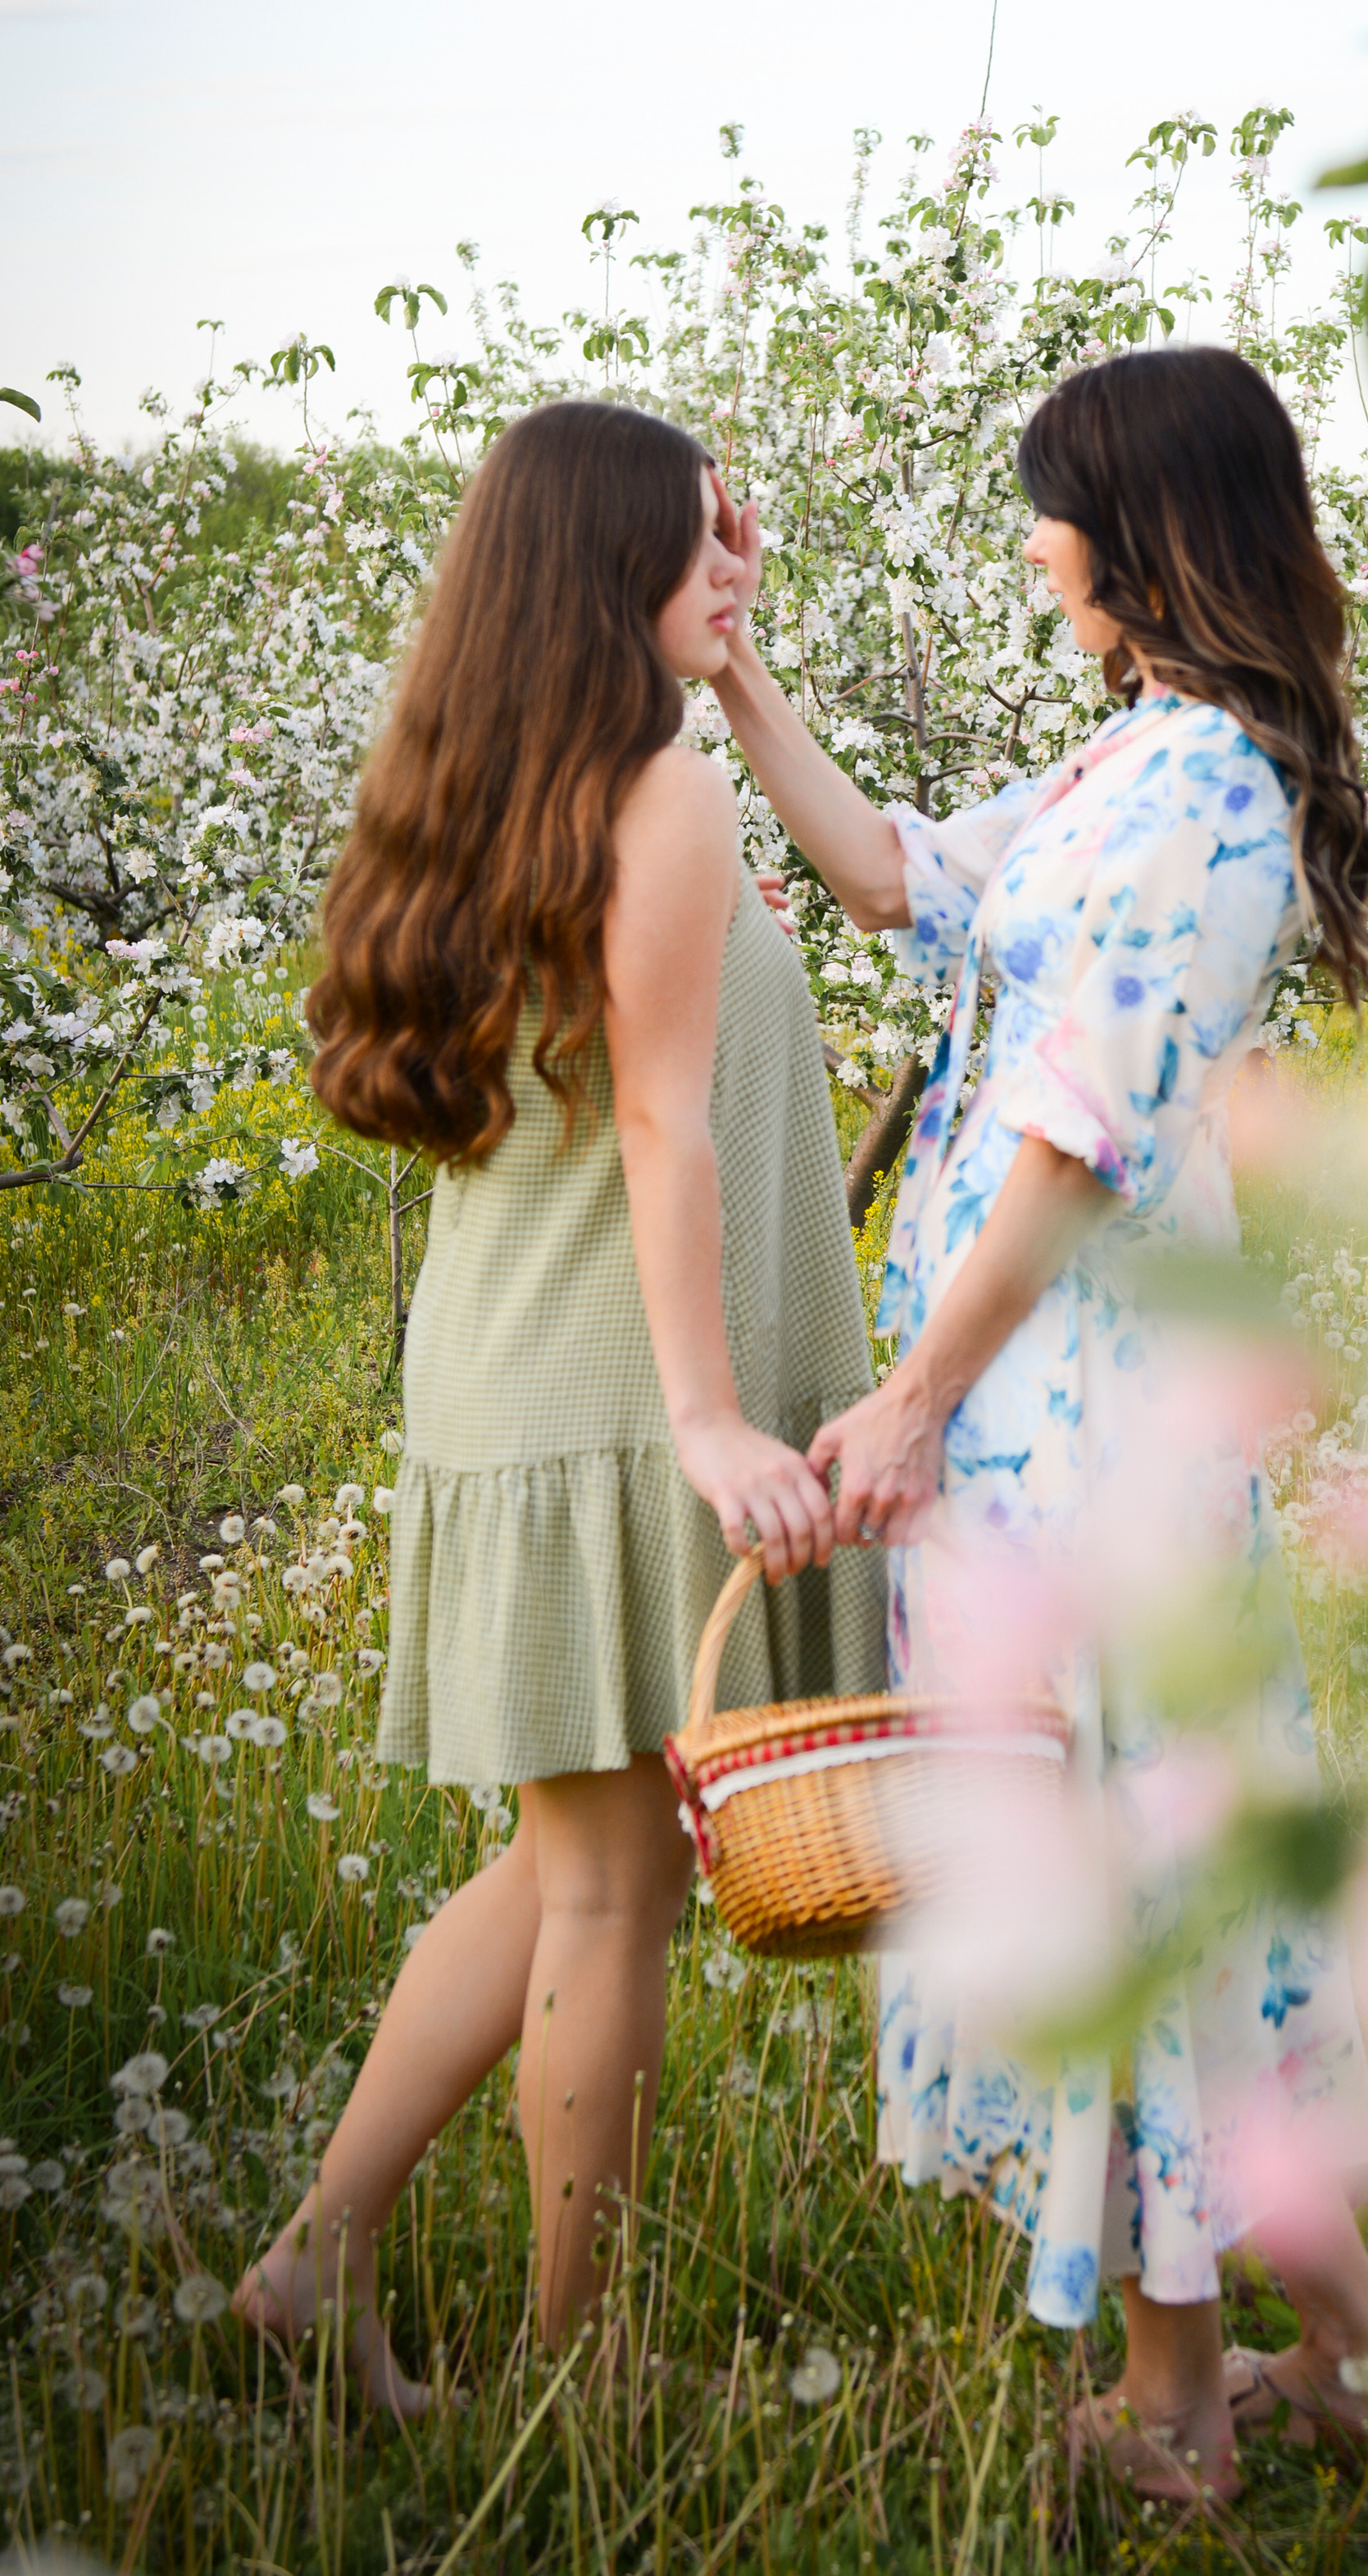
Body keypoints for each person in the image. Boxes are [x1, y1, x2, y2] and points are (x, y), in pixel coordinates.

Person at [711, 344, 1368, 2503]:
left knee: (1116, 1851)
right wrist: (740, 678)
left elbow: (1073, 1122)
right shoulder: (1134, 762)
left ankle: (1181, 2413)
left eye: (1049, 508)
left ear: (1137, 531)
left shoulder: (1208, 787)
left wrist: (920, 1394)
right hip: (1041, 1380)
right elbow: (897, 881)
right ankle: (1364, 2360)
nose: (1031, 547)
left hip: (1075, 1394)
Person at [234, 401, 884, 2410]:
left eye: (736, 536)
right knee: (616, 1885)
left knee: (565, 1864)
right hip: (624, 1396)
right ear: (598, 569)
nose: (736, 565)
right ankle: (577, 2379)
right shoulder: (657, 799)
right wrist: (710, 1418)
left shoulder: (485, 783)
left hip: (513, 1384)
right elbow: (671, 1136)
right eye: (697, 543)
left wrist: (733, 643)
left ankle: (308, 2274)